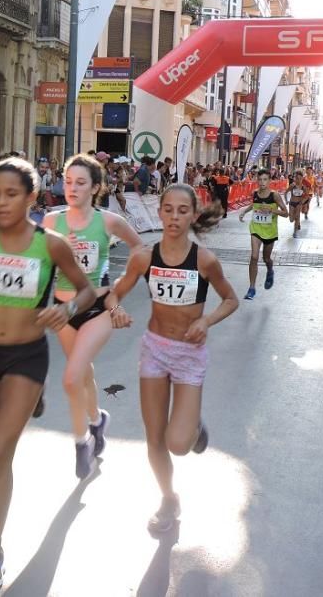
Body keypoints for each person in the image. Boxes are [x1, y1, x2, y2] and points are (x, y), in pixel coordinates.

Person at [0, 158, 96, 591]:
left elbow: (86, 290)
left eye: (12, 194)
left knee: (0, 452)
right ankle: (33, 395)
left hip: (29, 354)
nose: (2, 202)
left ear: (32, 197)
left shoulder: (50, 245)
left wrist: (66, 308)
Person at [107, 184, 238, 534]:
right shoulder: (144, 257)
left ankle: (193, 428)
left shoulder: (205, 260)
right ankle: (168, 499)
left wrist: (206, 320)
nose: (174, 217)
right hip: (154, 350)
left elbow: (230, 299)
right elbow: (113, 294)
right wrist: (117, 311)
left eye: (183, 210)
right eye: (168, 209)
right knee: (154, 438)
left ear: (194, 214)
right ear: (160, 212)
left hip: (189, 355)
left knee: (177, 444)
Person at [42, 154, 142, 479]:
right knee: (82, 374)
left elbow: (141, 251)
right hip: (63, 309)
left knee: (71, 377)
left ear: (96, 187)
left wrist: (116, 291)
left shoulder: (108, 221)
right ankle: (98, 421)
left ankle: (81, 442)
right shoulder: (50, 222)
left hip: (97, 309)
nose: (71, 188)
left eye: (80, 182)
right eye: (68, 181)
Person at [238, 169, 288, 300]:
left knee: (266, 258)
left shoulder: (275, 195)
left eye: (265, 179)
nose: (262, 182)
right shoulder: (255, 193)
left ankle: (270, 270)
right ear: (257, 181)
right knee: (254, 257)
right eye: (260, 180)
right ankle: (252, 288)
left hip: (270, 231)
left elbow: (285, 213)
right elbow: (254, 204)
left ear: (269, 181)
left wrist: (272, 210)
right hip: (256, 228)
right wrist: (244, 211)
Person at [286, 169, 305, 238]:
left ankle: (295, 232)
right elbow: (285, 192)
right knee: (291, 220)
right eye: (297, 178)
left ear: (302, 178)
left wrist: (302, 201)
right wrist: (286, 200)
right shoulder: (292, 185)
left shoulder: (303, 187)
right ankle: (297, 222)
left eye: (300, 178)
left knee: (297, 217)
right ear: (295, 178)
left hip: (298, 204)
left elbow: (306, 195)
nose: (298, 180)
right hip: (292, 203)